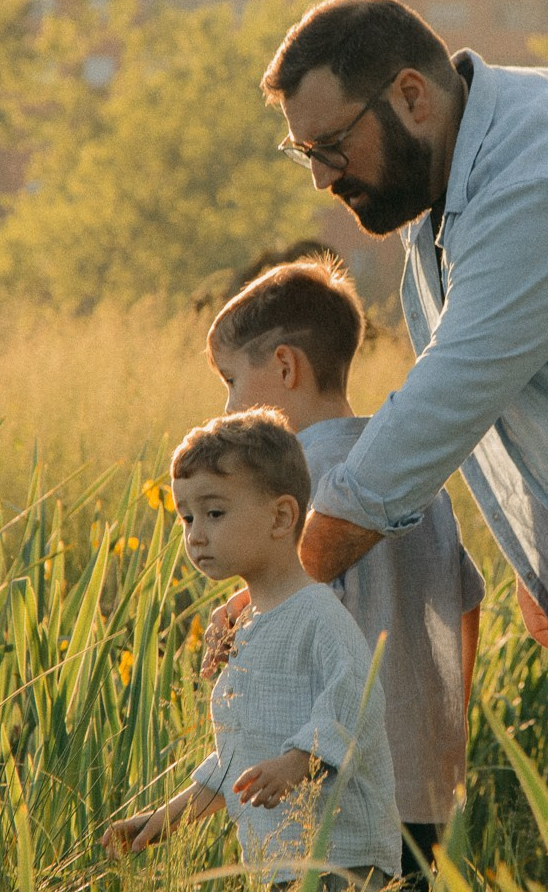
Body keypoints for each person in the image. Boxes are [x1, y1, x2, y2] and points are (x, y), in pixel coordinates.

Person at [259, 0, 548, 656]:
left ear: (412, 97)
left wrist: (277, 590)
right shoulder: (448, 163)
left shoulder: (532, 186)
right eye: (305, 153)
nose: (321, 178)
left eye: (330, 144)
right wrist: (541, 547)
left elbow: (435, 413)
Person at [204, 256, 484, 883]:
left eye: (231, 380)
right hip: (426, 789)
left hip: (336, 793)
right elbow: (466, 603)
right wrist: (448, 734)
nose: (226, 407)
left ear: (285, 366)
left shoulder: (289, 493)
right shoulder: (412, 478)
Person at [102, 409, 402, 889]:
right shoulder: (248, 625)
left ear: (281, 517)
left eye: (215, 513)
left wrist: (298, 762)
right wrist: (164, 820)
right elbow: (238, 757)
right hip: (277, 863)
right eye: (187, 518)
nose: (196, 534)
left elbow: (358, 701)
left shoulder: (317, 614)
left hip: (341, 861)